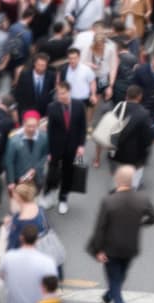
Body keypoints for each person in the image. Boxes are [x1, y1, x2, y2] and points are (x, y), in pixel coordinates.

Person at [86, 165, 154, 303]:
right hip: (130, 248)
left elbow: (100, 229)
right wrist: (141, 223)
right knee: (120, 278)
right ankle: (106, 298)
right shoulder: (142, 199)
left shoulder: (109, 201)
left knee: (115, 283)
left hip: (111, 249)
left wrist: (96, 250)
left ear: (117, 180)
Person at [45, 82, 86, 215]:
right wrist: (49, 151)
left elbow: (82, 127)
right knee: (52, 172)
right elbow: (50, 131)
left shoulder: (79, 105)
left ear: (69, 91)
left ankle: (63, 198)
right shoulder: (52, 107)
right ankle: (49, 192)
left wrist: (81, 145)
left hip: (73, 147)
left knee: (68, 173)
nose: (60, 96)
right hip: (56, 147)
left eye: (62, 93)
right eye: (58, 93)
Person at [3, 111, 49, 191]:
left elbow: (45, 155)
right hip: (19, 178)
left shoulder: (44, 137)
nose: (31, 129)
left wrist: (35, 169)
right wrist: (11, 181)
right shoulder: (14, 139)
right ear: (24, 124)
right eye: (29, 126)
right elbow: (9, 161)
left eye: (34, 126)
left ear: (38, 125)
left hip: (37, 178)